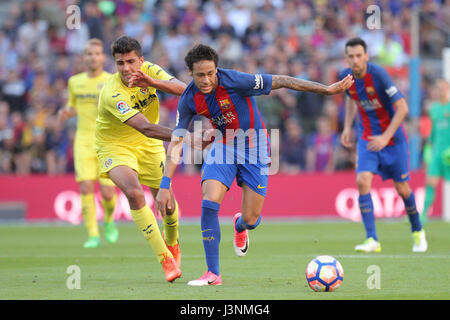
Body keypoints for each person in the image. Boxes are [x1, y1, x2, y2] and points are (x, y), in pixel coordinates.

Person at [155, 44, 353, 286]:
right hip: (224, 145)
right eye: (200, 75)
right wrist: (165, 184)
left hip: (255, 146)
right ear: (189, 72)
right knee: (209, 202)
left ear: (216, 69)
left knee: (251, 217)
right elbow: (176, 141)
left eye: (210, 73)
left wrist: (325, 90)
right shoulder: (188, 99)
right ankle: (213, 273)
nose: (206, 80)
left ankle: (241, 226)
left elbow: (282, 80)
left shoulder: (236, 80)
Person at [94, 35, 187, 282]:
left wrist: (153, 81)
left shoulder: (150, 71)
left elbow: (184, 90)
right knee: (134, 193)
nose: (126, 68)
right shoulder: (112, 93)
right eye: (120, 63)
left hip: (148, 146)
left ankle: (174, 243)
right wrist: (187, 137)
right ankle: (165, 260)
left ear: (141, 60)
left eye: (131, 61)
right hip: (115, 146)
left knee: (166, 203)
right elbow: (146, 127)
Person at [338, 37, 427, 253]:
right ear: (346, 58)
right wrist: (347, 127)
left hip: (393, 140)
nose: (355, 60)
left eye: (359, 55)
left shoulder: (378, 75)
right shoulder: (345, 77)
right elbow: (350, 99)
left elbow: (403, 108)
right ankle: (372, 239)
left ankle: (417, 231)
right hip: (368, 137)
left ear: (366, 56)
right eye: (351, 56)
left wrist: (386, 137)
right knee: (362, 180)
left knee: (402, 189)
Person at [59, 38, 119, 249]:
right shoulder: (75, 82)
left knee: (108, 193)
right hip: (83, 140)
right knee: (85, 187)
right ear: (84, 57)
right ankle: (93, 234)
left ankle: (109, 220)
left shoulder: (112, 80)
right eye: (88, 54)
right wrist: (65, 112)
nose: (92, 57)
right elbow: (72, 106)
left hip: (106, 141)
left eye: (96, 53)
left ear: (103, 57)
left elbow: (121, 109)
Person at [421, 79, 450, 225]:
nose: (439, 91)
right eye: (437, 88)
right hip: (438, 153)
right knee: (430, 182)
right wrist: (428, 149)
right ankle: (424, 215)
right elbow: (433, 132)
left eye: (442, 88)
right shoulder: (434, 109)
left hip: (449, 153)